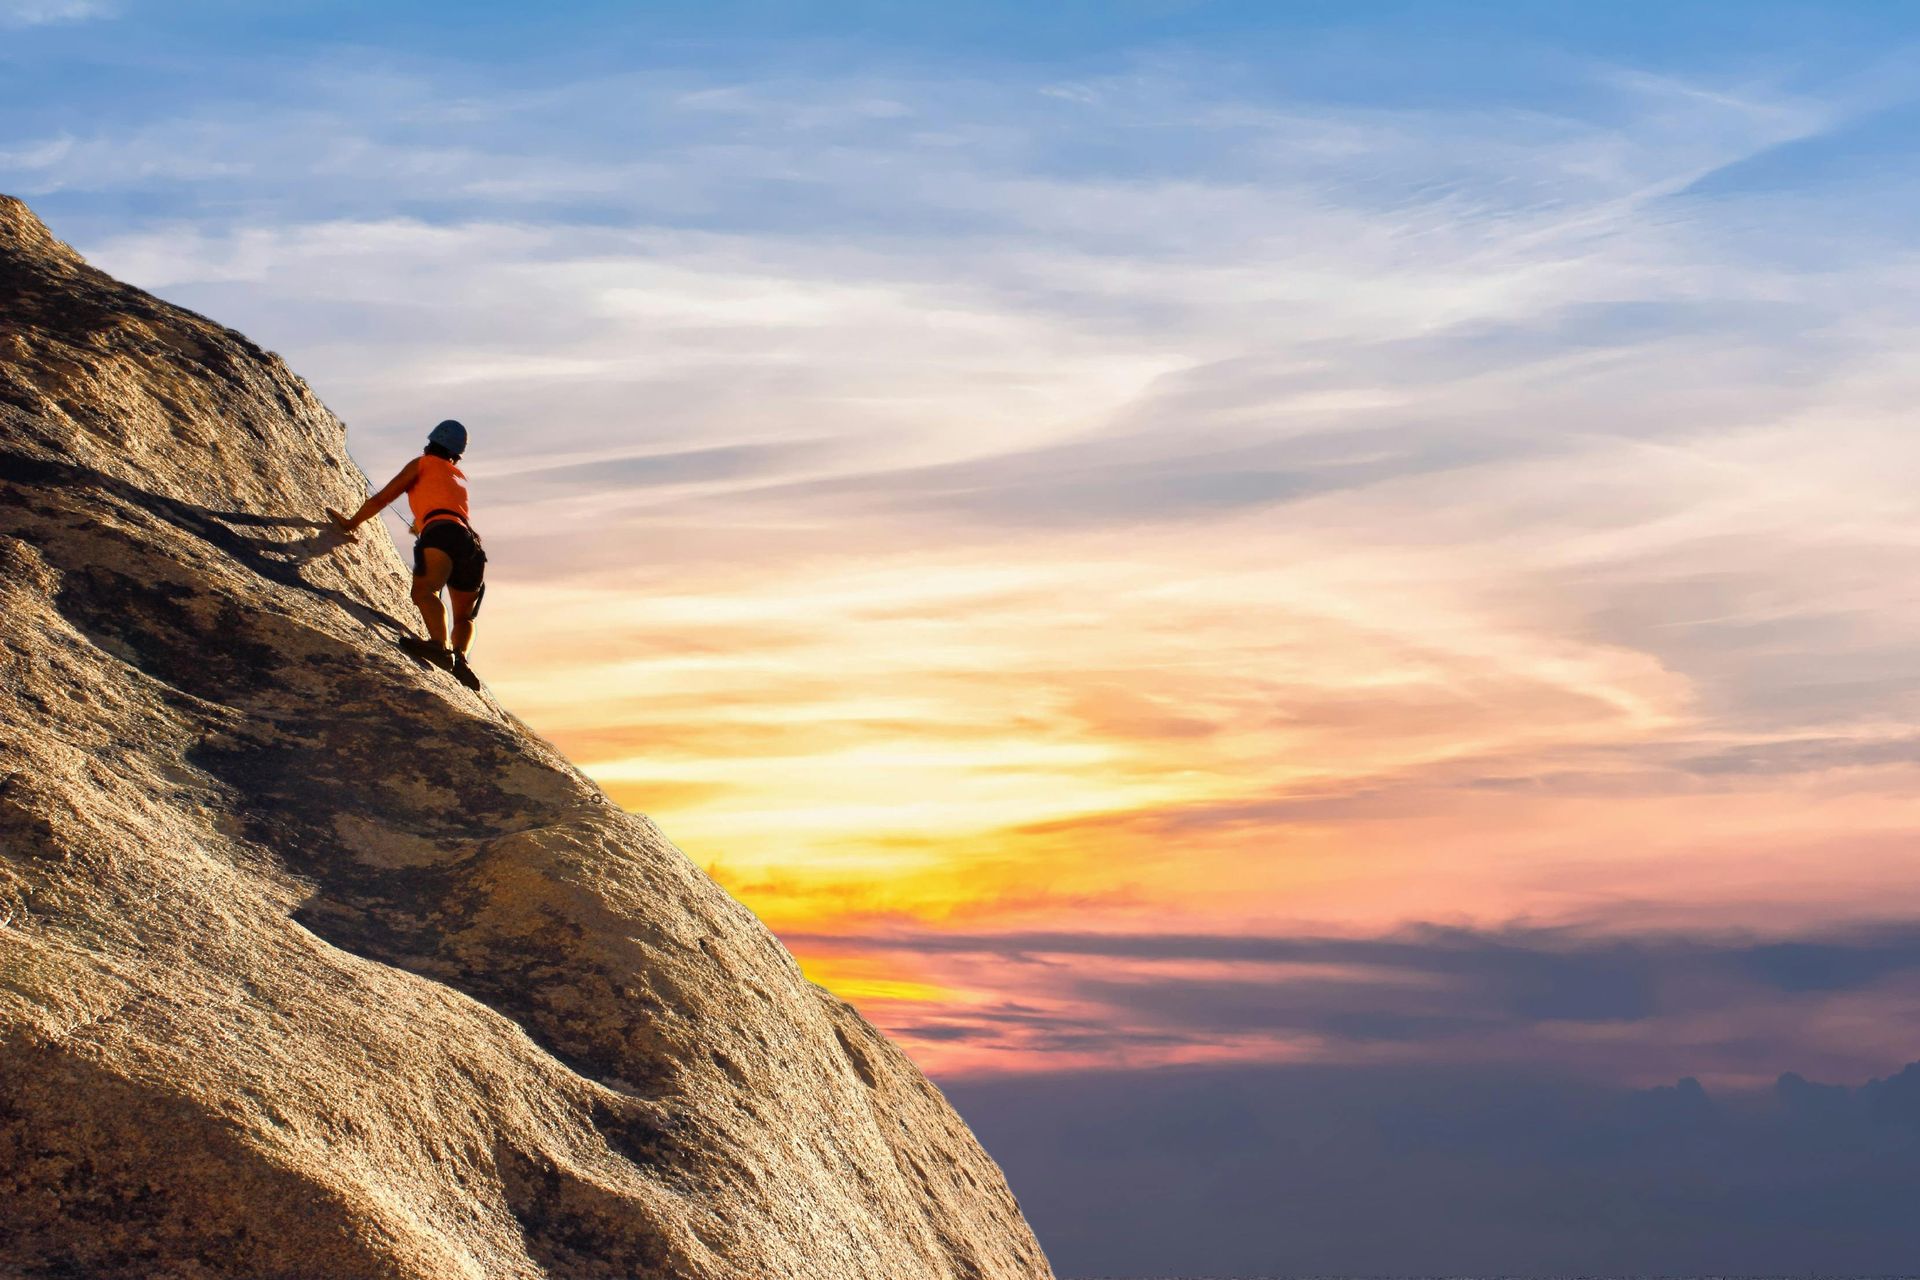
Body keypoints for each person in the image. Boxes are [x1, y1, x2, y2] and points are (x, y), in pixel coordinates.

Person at [328, 419, 487, 690]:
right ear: (457, 454)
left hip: (441, 533)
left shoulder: (421, 464)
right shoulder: (459, 478)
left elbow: (382, 499)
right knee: (464, 617)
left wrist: (350, 524)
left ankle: (439, 646)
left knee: (425, 592)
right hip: (471, 544)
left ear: (431, 442)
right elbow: (446, 508)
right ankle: (461, 659)